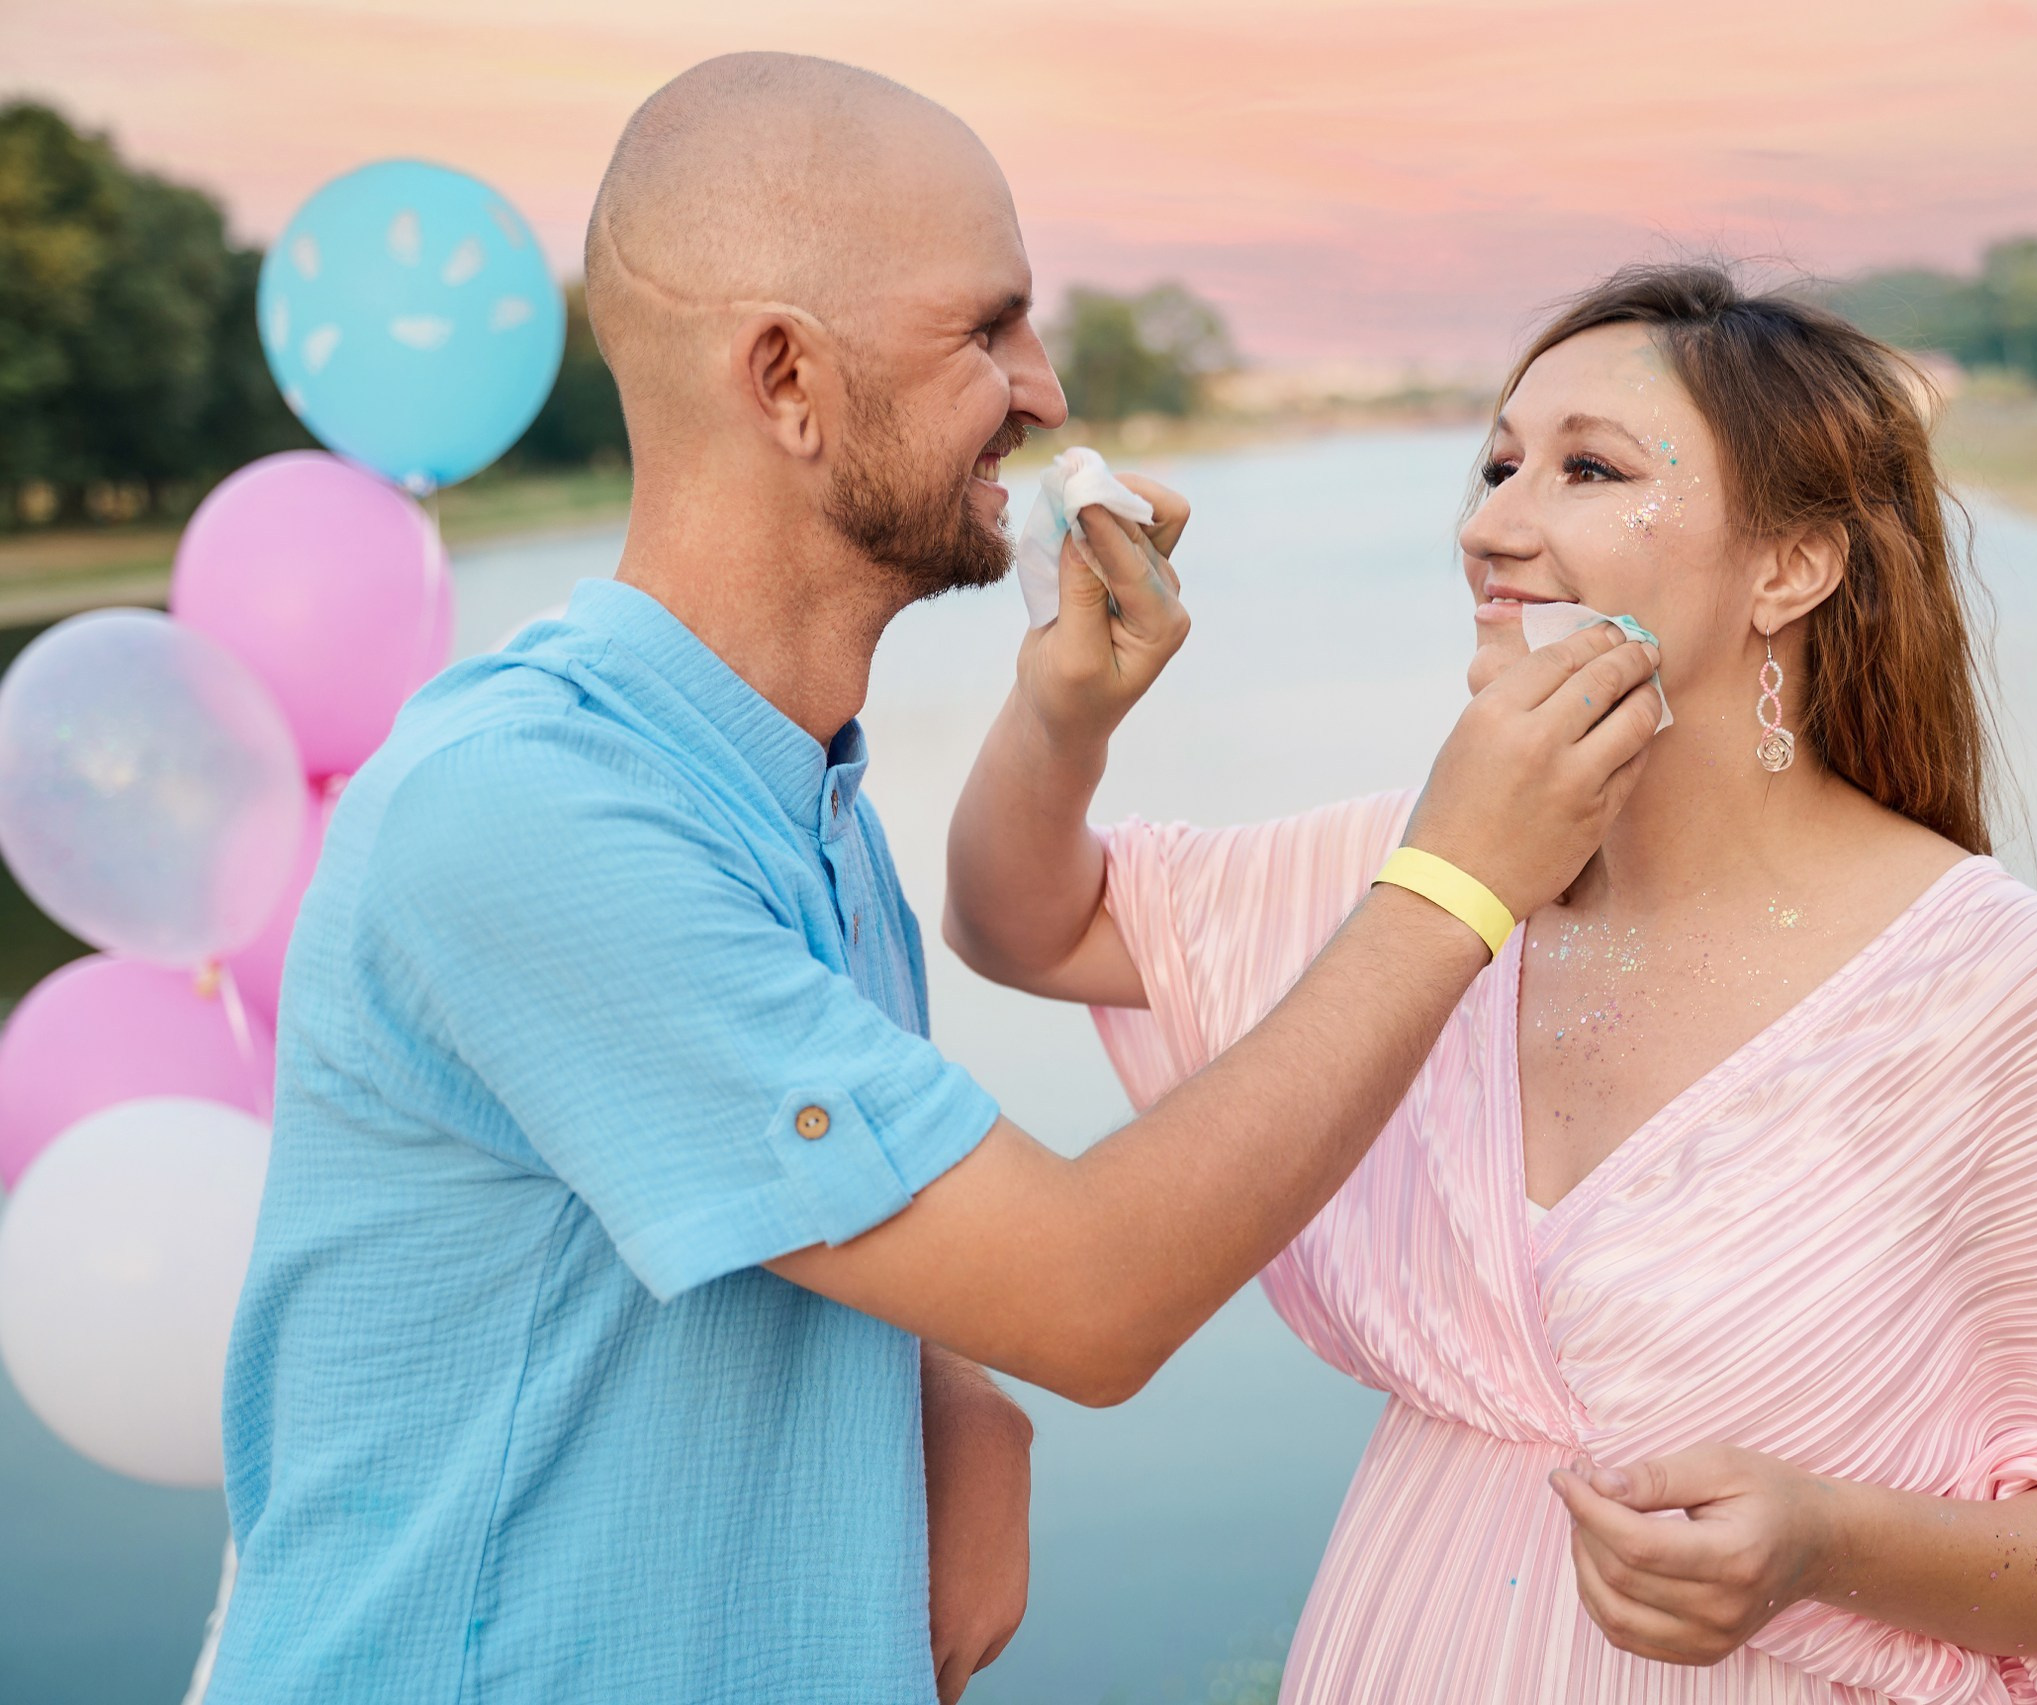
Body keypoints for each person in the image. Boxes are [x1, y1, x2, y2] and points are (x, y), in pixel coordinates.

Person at [206, 55, 1663, 1705]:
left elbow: (796, 1171)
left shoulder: (791, 784)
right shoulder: (531, 817)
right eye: (988, 330)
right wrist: (1461, 874)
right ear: (786, 382)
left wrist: (939, 1382)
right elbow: (1094, 1292)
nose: (1044, 393)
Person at [946, 262, 2037, 1702]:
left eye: (1586, 468)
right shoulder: (1423, 873)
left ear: (1791, 566)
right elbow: (1025, 922)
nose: (1488, 524)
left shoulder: (2009, 994)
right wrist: (1064, 707)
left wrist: (1824, 1539)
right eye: (1499, 462)